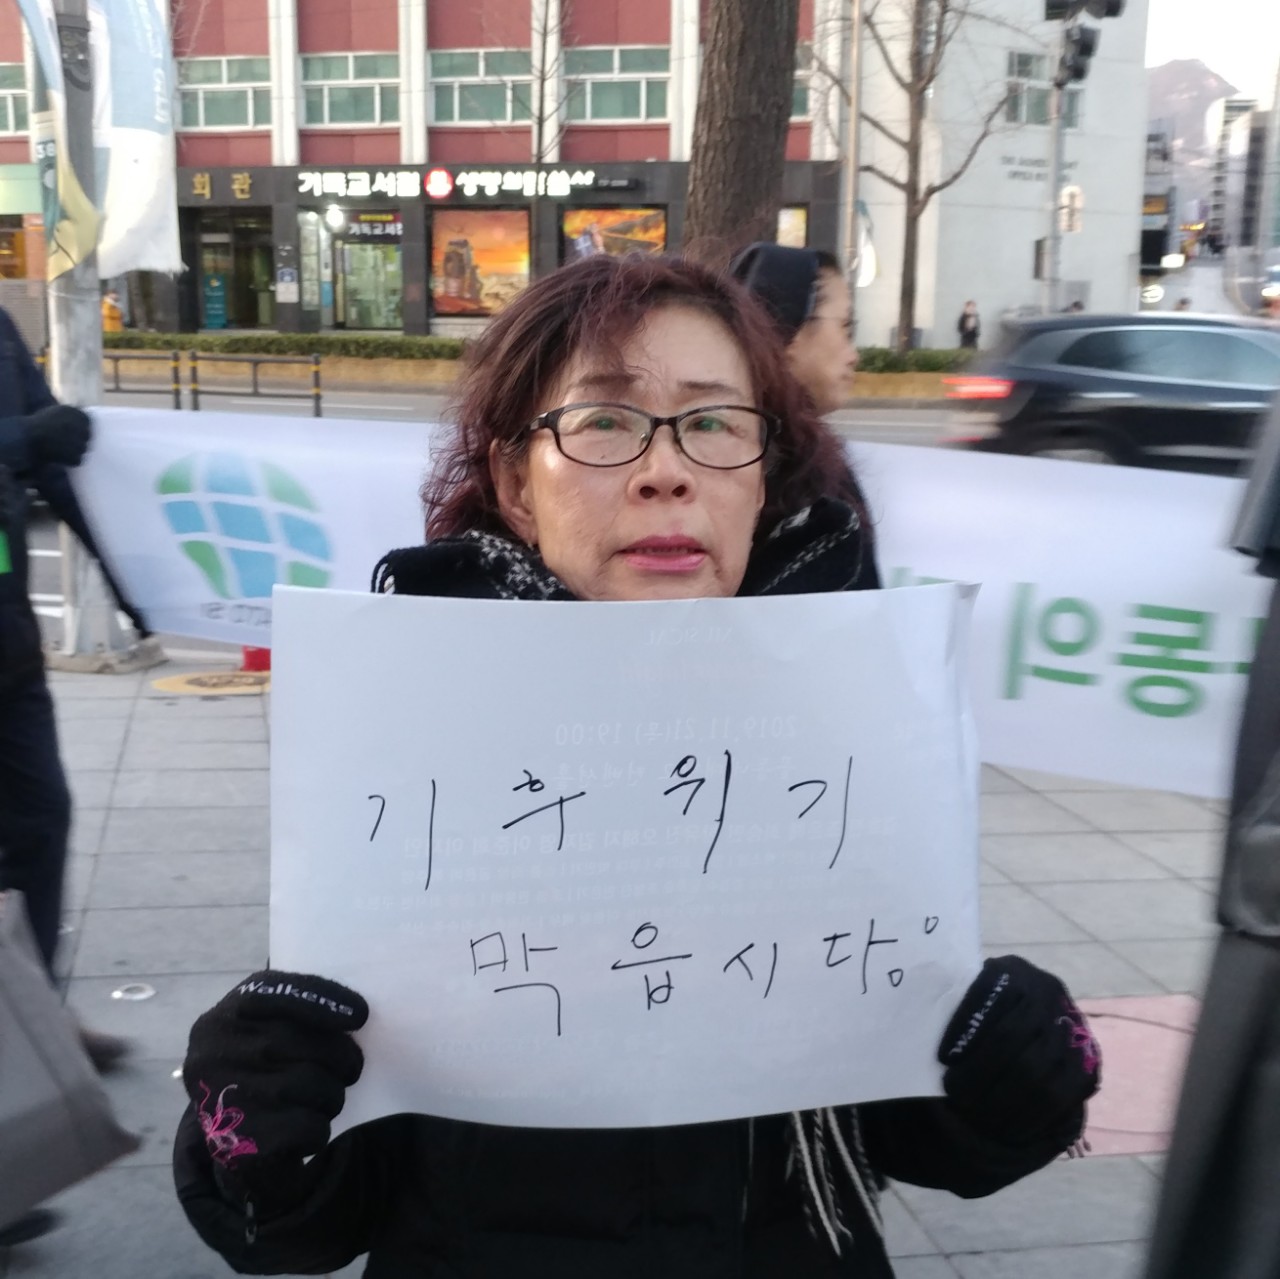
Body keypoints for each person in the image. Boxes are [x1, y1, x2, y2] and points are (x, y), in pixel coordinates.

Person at [173, 255, 1101, 1279]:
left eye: (714, 423)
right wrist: (256, 1125)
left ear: (762, 475)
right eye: (605, 421)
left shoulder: (847, 735)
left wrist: (1010, 1076)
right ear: (514, 484)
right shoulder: (404, 745)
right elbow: (311, 1217)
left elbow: (907, 1134)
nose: (667, 470)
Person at [0, 305, 139, 1072]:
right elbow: (31, 440)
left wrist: (133, 576)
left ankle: (33, 1015)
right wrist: (22, 440)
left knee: (40, 821)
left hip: (8, 643)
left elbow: (55, 460)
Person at [729, 242, 857, 414]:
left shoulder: (738, 421)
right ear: (789, 332)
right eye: (844, 326)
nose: (854, 357)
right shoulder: (751, 428)